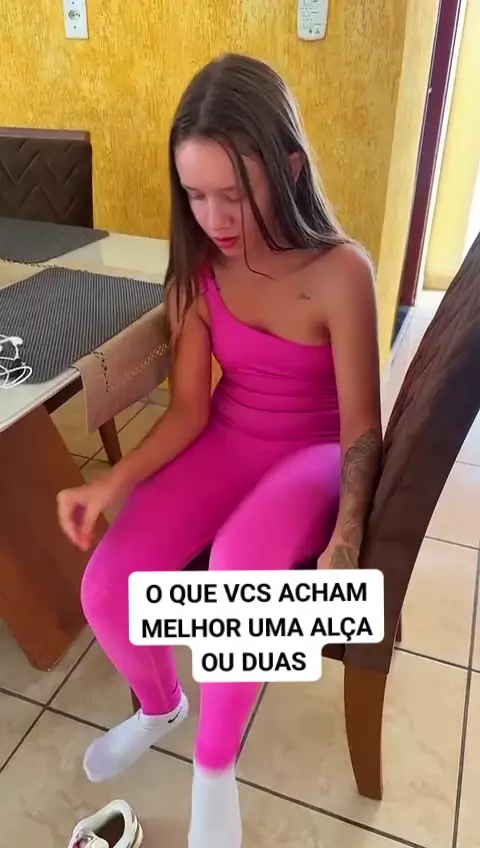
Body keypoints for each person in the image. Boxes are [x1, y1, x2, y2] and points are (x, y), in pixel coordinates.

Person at [57, 53, 382, 848]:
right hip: (228, 436)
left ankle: (213, 767)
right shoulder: (199, 268)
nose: (213, 216)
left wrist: (346, 533)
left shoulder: (342, 271)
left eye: (233, 194)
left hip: (314, 450)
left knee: (238, 569)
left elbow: (361, 428)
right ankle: (160, 707)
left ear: (289, 168)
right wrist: (111, 484)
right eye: (195, 195)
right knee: (107, 587)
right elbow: (190, 410)